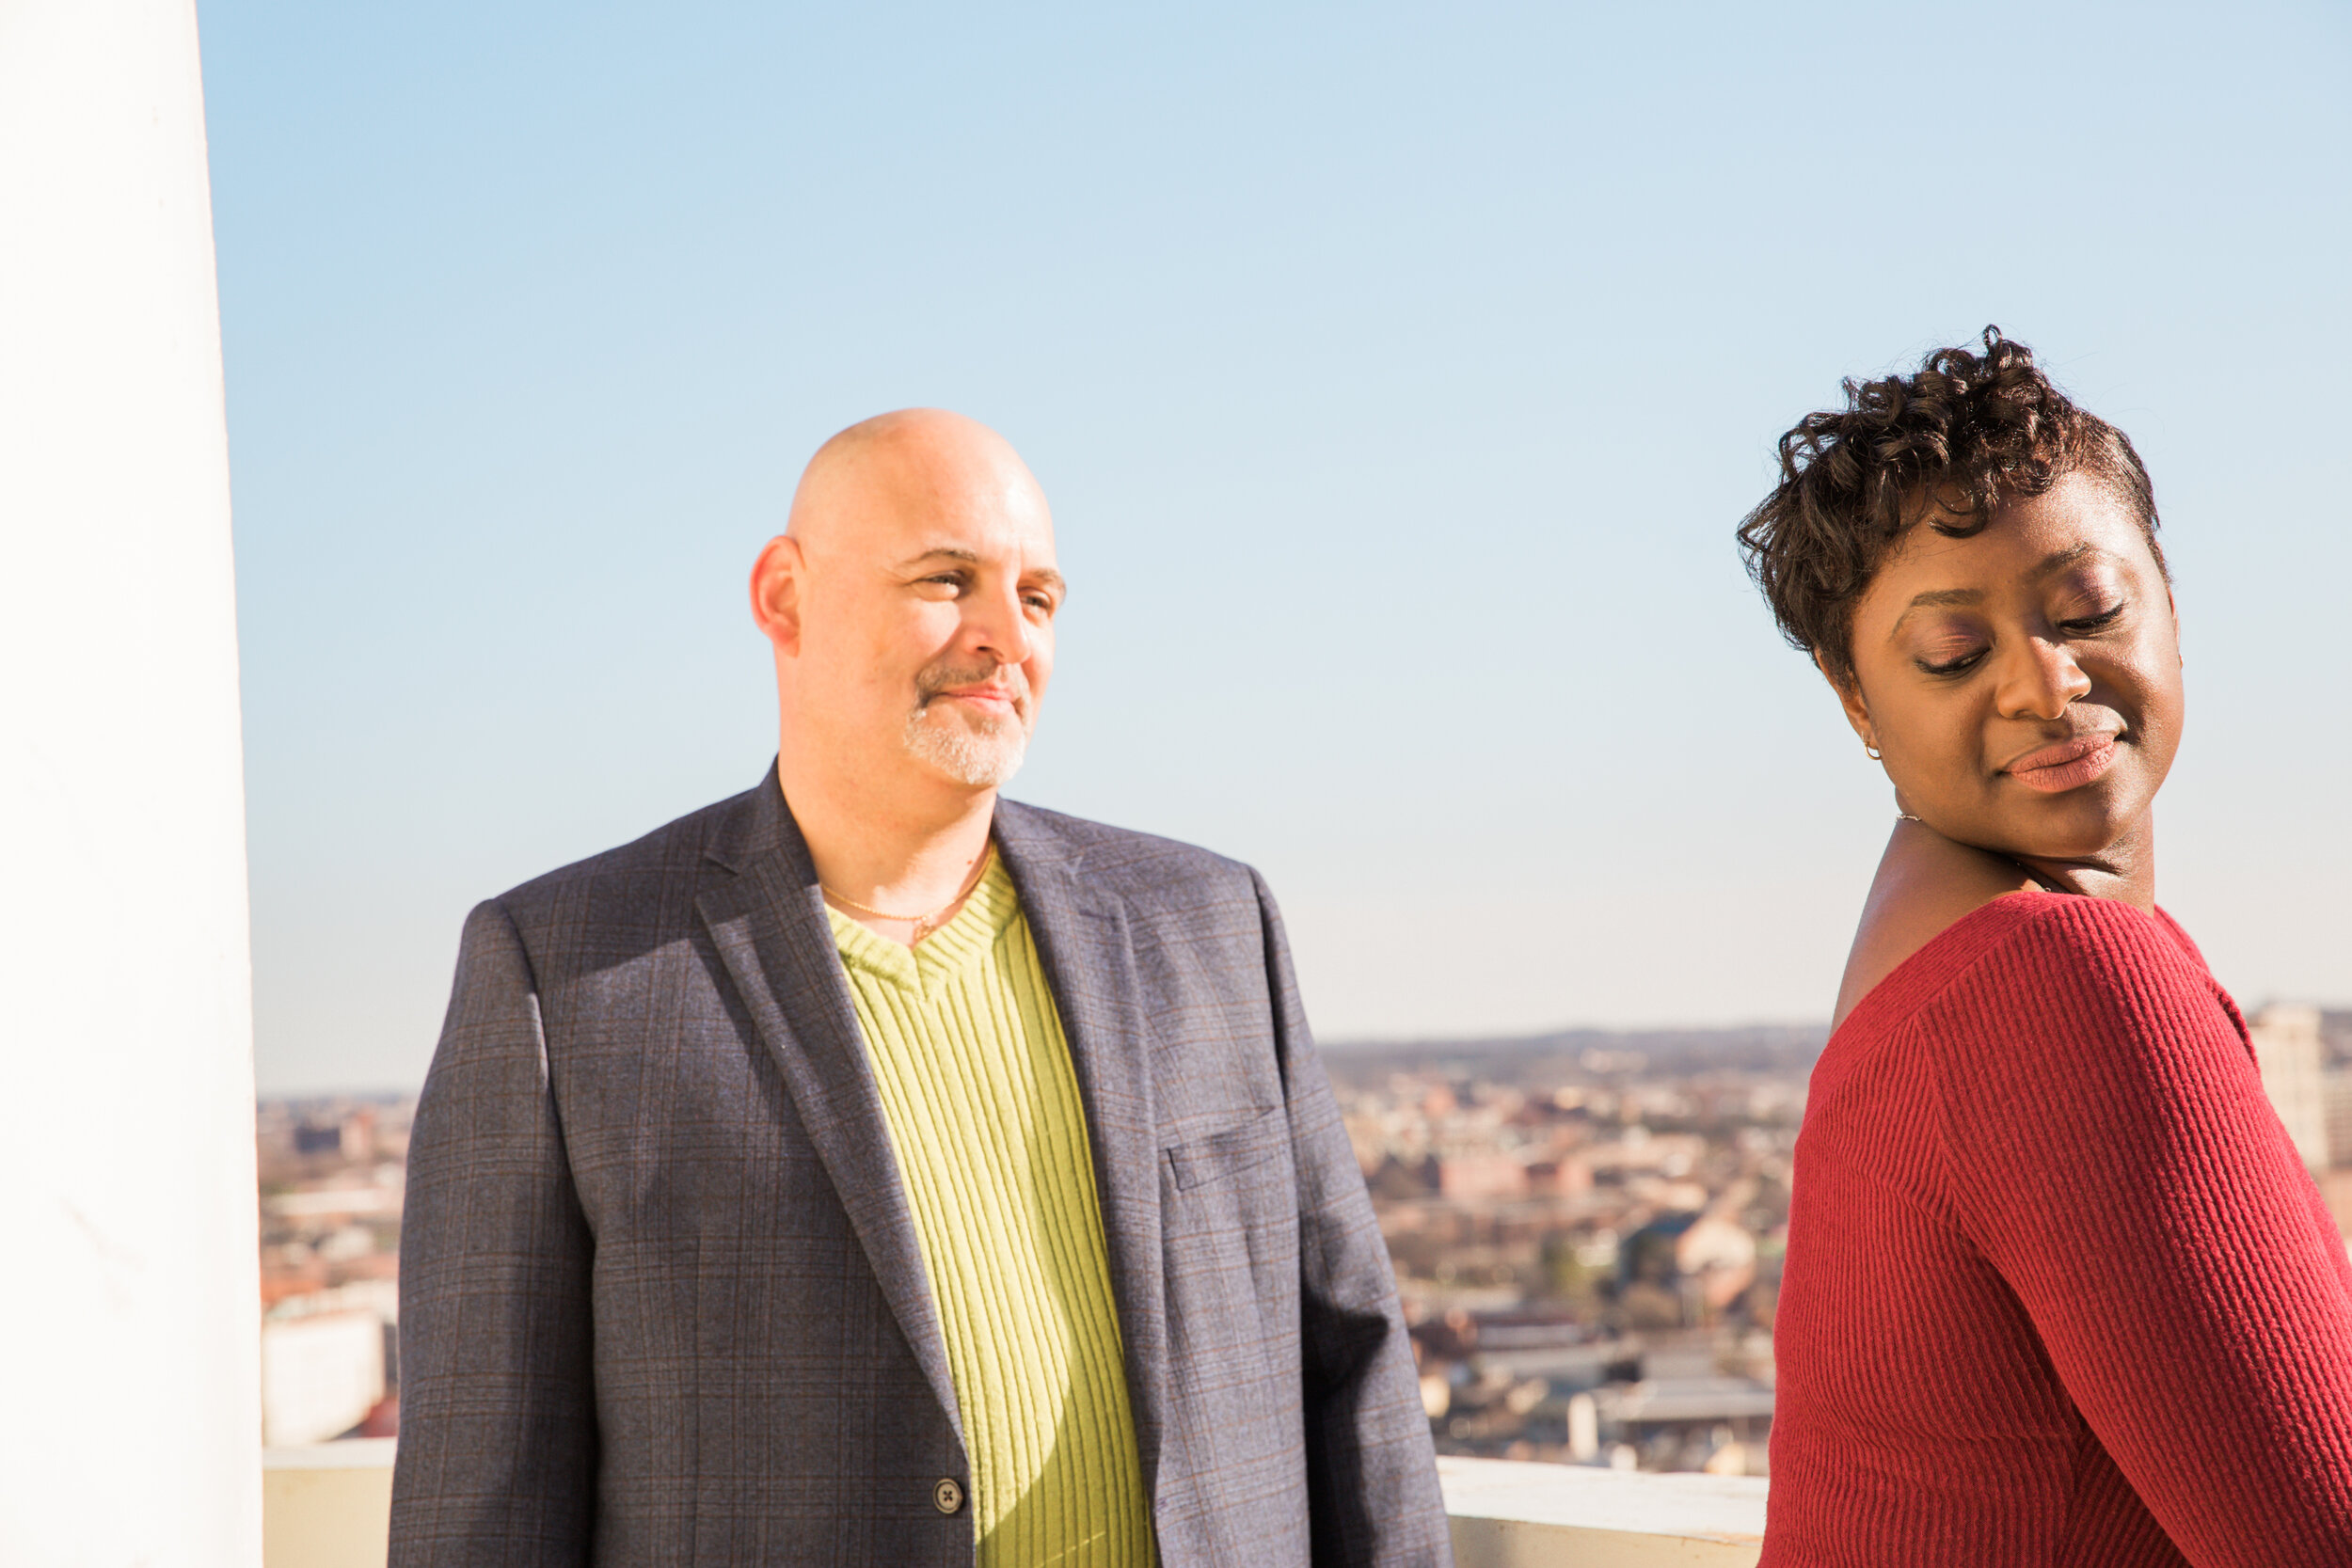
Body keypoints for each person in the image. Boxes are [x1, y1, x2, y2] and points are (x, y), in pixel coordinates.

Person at [389, 409, 1451, 1567]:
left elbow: (1354, 1368)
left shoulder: (1210, 922)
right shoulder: (562, 973)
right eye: (949, 579)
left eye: (1038, 597)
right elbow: (482, 1503)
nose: (1006, 634)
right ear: (784, 598)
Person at [1735, 329, 2352, 1566]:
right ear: (1855, 697)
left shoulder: (1943, 957)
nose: (2045, 681)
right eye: (1954, 653)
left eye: (2089, 607)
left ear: (2171, 598)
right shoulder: (2056, 985)